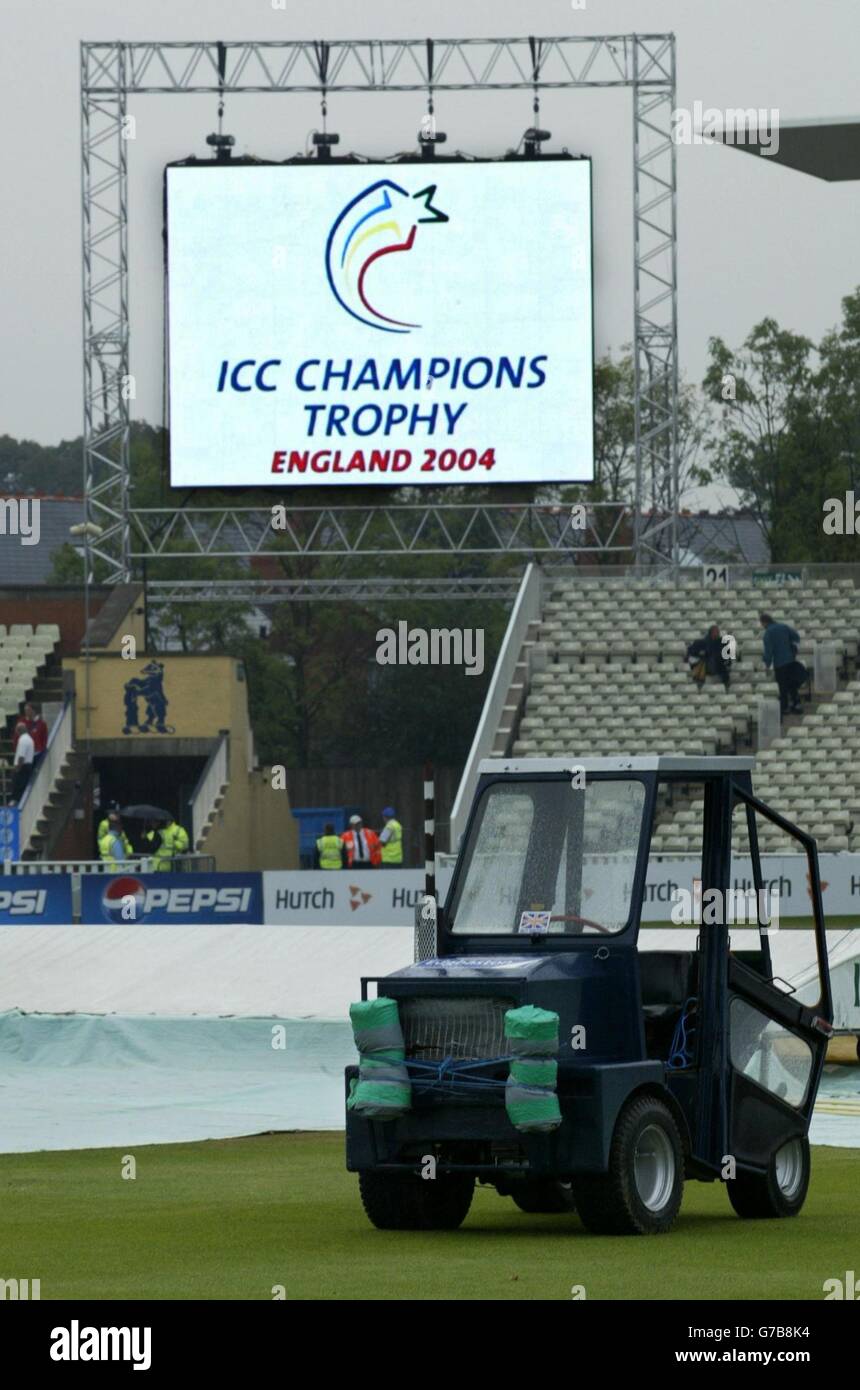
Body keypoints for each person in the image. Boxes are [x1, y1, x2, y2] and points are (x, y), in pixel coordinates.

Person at [760, 612, 803, 717]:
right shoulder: (783, 627)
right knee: (792, 684)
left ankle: (785, 707)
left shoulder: (768, 633)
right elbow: (796, 637)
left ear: (764, 622)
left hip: (780, 663)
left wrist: (767, 664)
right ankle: (797, 704)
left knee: (782, 686)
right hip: (790, 660)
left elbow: (768, 651)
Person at [686, 625, 731, 690]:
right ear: (710, 633)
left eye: (717, 632)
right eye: (715, 632)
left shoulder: (722, 643)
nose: (716, 634)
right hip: (705, 667)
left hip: (719, 667)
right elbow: (692, 652)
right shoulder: (701, 643)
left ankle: (725, 684)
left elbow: (728, 655)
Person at [11, 721, 34, 803]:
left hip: (22, 768)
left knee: (18, 790)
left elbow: (21, 756)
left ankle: (16, 804)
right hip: (27, 766)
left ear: (18, 730)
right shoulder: (29, 739)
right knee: (22, 789)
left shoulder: (23, 740)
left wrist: (17, 769)